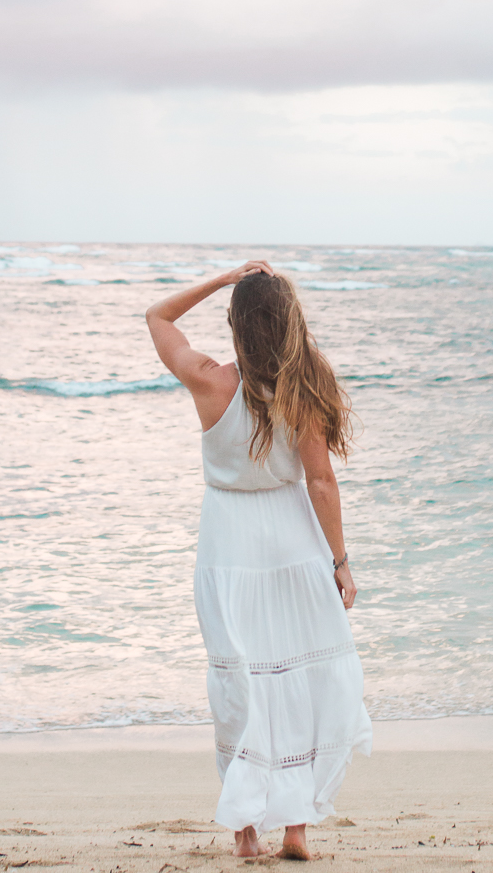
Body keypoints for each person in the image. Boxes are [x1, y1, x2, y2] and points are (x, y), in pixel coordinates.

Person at [146, 260, 372, 859]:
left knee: (239, 680)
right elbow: (321, 482)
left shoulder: (208, 380)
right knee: (296, 675)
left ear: (237, 327)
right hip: (293, 539)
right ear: (289, 322)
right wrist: (340, 561)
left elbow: (157, 316)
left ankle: (247, 832)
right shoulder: (304, 392)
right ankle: (295, 826)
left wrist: (221, 281)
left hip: (228, 542)